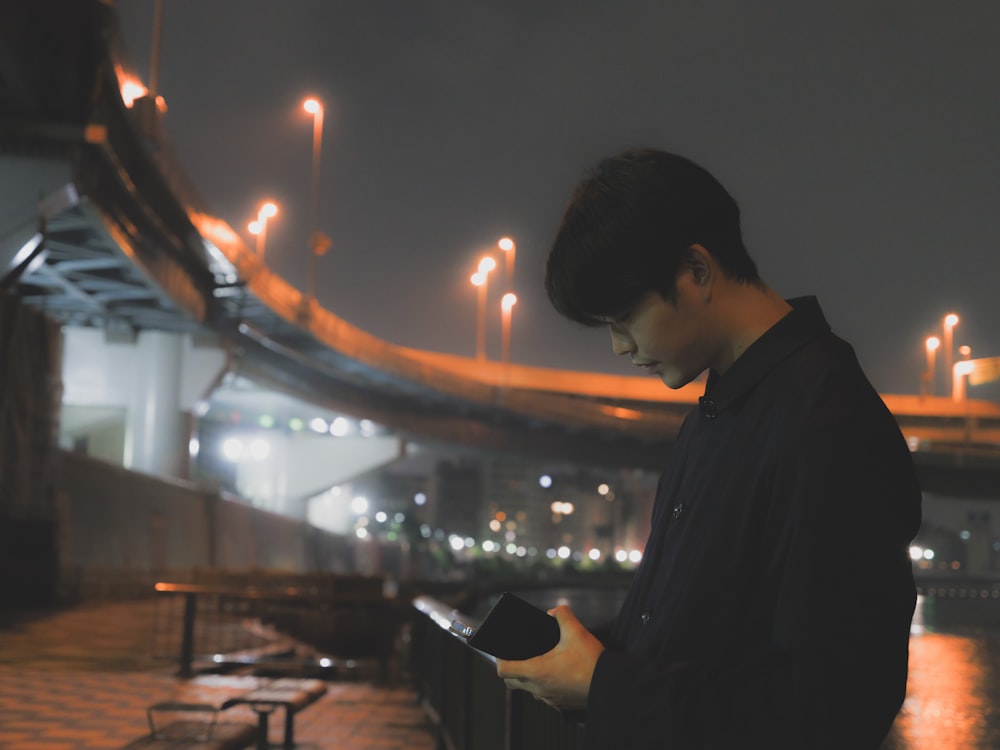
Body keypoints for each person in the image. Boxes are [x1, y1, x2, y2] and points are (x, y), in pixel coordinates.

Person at [496, 148, 922, 749]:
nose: (619, 347)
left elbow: (833, 712)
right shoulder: (721, 412)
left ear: (696, 270)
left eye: (622, 317)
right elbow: (694, 635)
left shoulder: (829, 424)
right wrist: (585, 659)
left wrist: (605, 686)